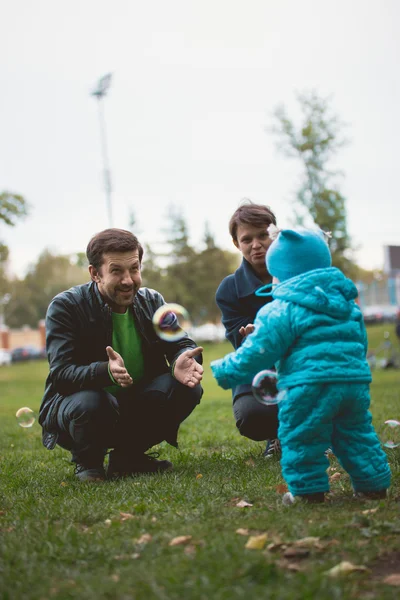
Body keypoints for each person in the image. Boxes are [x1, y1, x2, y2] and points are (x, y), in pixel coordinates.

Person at [211, 226, 391, 504]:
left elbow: (258, 351)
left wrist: (225, 370)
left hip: (307, 387)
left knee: (301, 437)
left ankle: (308, 491)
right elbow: (360, 342)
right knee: (357, 433)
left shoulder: (280, 308)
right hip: (352, 383)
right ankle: (373, 485)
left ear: (281, 272)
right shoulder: (345, 302)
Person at [39, 228, 204, 482]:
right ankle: (88, 462)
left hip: (134, 405)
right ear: (95, 273)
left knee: (187, 387)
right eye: (116, 271)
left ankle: (128, 457)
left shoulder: (152, 301)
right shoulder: (66, 307)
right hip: (82, 409)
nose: (128, 280)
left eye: (134, 269)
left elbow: (180, 342)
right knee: (93, 402)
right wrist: (104, 371)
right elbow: (61, 375)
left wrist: (183, 357)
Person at [215, 201, 279, 456]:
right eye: (246, 239)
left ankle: (319, 432)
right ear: (236, 244)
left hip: (303, 364)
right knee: (252, 415)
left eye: (263, 235)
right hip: (258, 370)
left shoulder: (299, 275)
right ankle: (276, 435)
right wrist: (253, 338)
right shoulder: (229, 290)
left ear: (275, 233)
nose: (256, 245)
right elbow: (239, 343)